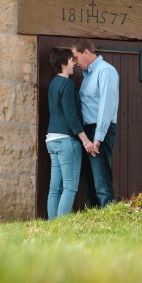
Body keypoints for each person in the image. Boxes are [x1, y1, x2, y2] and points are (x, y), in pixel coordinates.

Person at [46, 48, 97, 218]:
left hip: (52, 140)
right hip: (66, 141)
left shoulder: (53, 84)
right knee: (69, 187)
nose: (74, 63)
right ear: (63, 64)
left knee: (55, 189)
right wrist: (85, 140)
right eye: (71, 60)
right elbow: (71, 115)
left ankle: (51, 229)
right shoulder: (67, 84)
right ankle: (60, 229)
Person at [71, 38, 119, 208]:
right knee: (88, 182)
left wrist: (98, 137)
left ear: (86, 52)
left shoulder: (105, 71)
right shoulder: (87, 75)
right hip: (86, 133)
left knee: (101, 182)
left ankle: (109, 218)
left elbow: (106, 106)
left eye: (76, 57)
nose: (75, 63)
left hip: (99, 132)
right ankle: (95, 219)